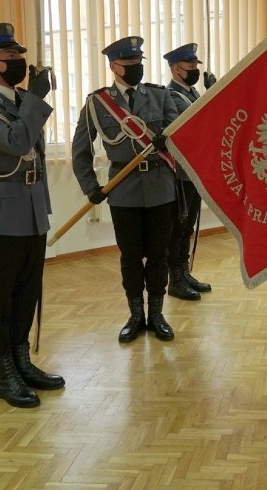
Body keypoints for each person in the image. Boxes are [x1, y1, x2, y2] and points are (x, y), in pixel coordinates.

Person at [0, 23, 63, 408]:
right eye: (11, 56)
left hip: (33, 206)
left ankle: (22, 361)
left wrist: (30, 101)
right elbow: (18, 143)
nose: (21, 61)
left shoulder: (21, 101)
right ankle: (4, 373)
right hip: (1, 212)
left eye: (21, 55)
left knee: (27, 291)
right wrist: (36, 101)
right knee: (1, 295)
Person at [72, 36, 179, 343]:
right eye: (128, 63)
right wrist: (91, 187)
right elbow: (80, 151)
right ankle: (136, 315)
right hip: (123, 190)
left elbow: (180, 134)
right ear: (113, 66)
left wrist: (167, 140)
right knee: (130, 257)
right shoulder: (98, 103)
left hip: (161, 187)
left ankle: (157, 314)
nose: (135, 68)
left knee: (159, 256)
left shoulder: (159, 96)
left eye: (138, 62)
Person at [163, 43, 216, 301]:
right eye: (190, 65)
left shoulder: (193, 93)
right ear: (175, 69)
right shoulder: (171, 96)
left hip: (194, 172)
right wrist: (215, 94)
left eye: (196, 65)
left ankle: (185, 272)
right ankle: (175, 279)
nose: (195, 69)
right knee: (179, 227)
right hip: (180, 175)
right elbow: (195, 121)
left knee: (188, 227)